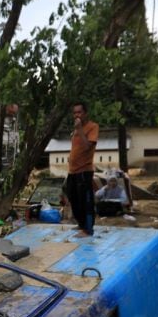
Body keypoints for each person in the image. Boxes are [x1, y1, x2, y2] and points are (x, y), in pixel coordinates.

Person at [62, 101, 99, 237]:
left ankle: (88, 229)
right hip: (73, 171)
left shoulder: (92, 127)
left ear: (85, 113)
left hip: (84, 171)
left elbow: (87, 146)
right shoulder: (76, 130)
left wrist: (80, 130)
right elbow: (76, 148)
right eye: (74, 112)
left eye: (79, 112)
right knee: (73, 197)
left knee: (85, 201)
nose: (76, 115)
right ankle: (81, 224)